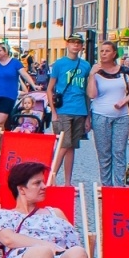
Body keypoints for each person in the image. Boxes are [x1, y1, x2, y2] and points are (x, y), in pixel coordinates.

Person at [87, 41, 129, 187]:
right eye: (102, 51)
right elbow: (92, 94)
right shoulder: (95, 71)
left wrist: (124, 101)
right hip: (100, 115)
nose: (103, 54)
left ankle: (119, 187)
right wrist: (91, 75)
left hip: (122, 116)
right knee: (104, 153)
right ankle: (106, 186)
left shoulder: (125, 72)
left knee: (119, 151)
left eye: (107, 51)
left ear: (114, 53)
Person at [47, 36, 91, 185]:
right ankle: (51, 178)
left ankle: (67, 182)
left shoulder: (85, 65)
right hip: (63, 110)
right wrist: (54, 112)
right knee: (64, 145)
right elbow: (50, 89)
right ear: (67, 44)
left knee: (71, 147)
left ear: (82, 46)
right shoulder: (59, 64)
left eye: (78, 43)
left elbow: (87, 92)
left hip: (80, 109)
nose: (75, 46)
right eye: (73, 43)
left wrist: (88, 116)